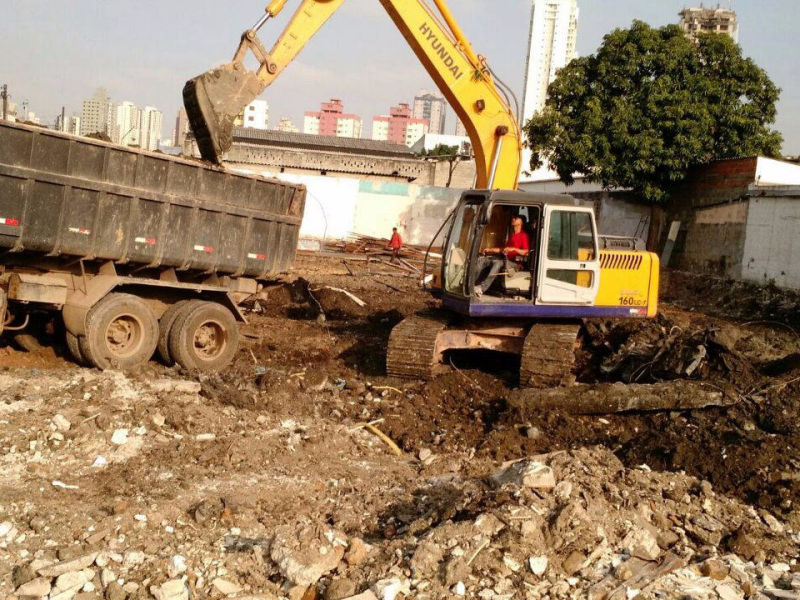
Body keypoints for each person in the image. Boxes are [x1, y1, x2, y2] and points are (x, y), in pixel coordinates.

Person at [474, 215, 530, 296]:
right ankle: (473, 283)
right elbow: (503, 249)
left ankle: (482, 288)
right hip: (504, 260)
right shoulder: (512, 236)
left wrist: (514, 249)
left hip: (515, 264)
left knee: (498, 263)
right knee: (483, 260)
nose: (513, 219)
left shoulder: (523, 236)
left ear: (521, 223)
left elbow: (526, 252)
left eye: (516, 218)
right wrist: (490, 250)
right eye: (514, 217)